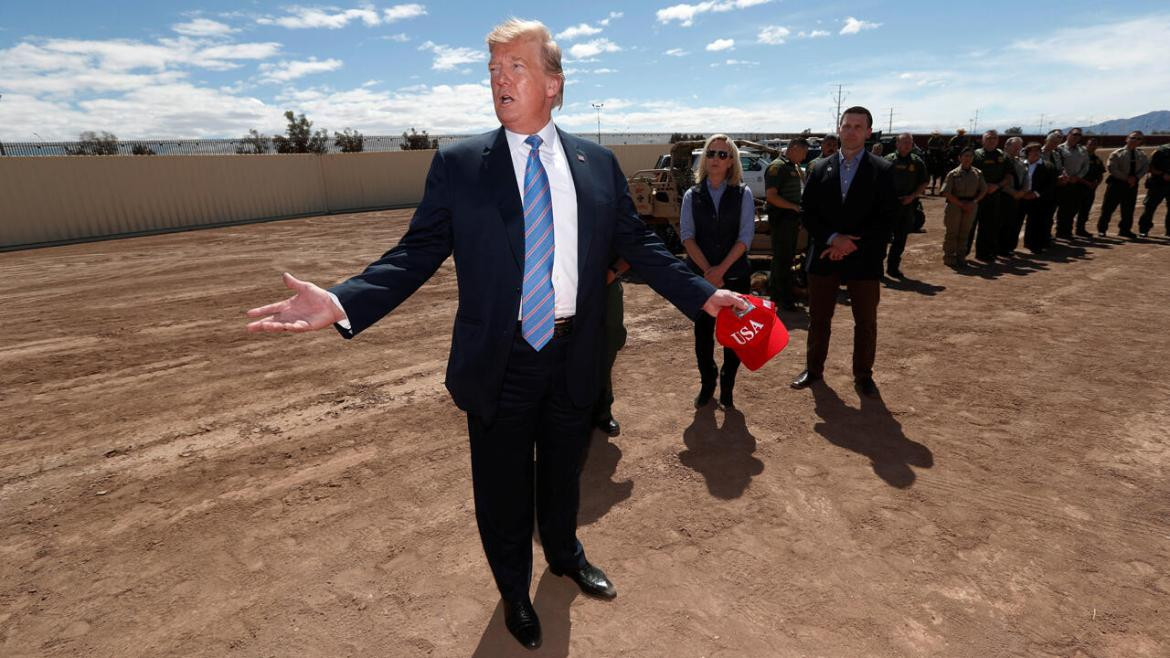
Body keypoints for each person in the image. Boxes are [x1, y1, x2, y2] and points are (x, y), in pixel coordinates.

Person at [244, 18, 746, 651]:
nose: (500, 81)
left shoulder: (597, 165)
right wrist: (343, 301)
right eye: (493, 70)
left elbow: (638, 243)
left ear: (554, 85)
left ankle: (564, 555)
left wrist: (704, 296)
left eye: (516, 68)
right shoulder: (460, 165)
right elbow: (416, 253)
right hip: (500, 358)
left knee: (564, 471)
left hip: (574, 349)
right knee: (503, 486)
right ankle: (514, 589)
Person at [790, 106, 898, 398]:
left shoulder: (883, 169)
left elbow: (887, 218)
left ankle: (863, 376)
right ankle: (813, 371)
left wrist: (851, 244)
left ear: (868, 132)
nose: (851, 131)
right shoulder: (818, 167)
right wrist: (834, 239)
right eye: (847, 125)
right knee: (819, 320)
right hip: (824, 255)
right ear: (839, 128)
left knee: (865, 322)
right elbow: (807, 213)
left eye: (858, 127)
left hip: (864, 258)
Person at [682, 135, 756, 410]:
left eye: (723, 155)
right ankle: (707, 383)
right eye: (711, 153)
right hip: (702, 279)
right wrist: (708, 272)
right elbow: (687, 237)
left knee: (734, 336)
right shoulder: (692, 195)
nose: (716, 158)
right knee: (702, 335)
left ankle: (727, 387)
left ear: (731, 162)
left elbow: (745, 237)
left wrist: (721, 270)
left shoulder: (743, 194)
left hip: (734, 275)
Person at [764, 137, 808, 310]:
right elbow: (771, 196)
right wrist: (794, 207)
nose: (804, 157)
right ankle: (784, 299)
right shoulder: (777, 167)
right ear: (795, 148)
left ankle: (777, 295)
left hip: (790, 219)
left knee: (785, 259)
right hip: (782, 219)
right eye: (803, 153)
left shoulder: (791, 166)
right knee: (783, 260)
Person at [593, 253, 629, 437]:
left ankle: (603, 412)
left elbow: (630, 251)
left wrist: (613, 271)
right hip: (567, 289)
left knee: (606, 351)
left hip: (608, 289)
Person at [884, 132, 929, 278]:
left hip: (907, 205)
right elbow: (878, 180)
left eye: (909, 143)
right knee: (882, 238)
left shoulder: (917, 162)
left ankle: (893, 268)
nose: (906, 145)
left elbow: (924, 182)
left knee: (900, 238)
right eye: (903, 142)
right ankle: (877, 268)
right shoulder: (888, 160)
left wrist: (913, 196)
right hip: (888, 206)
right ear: (897, 144)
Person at [940, 147, 987, 267]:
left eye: (970, 156)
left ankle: (961, 257)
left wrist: (974, 202)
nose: (968, 158)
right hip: (955, 205)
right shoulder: (953, 174)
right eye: (965, 156)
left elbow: (983, 190)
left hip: (971, 205)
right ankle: (949, 257)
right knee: (952, 232)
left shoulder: (978, 173)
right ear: (960, 158)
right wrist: (961, 204)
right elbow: (946, 192)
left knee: (965, 232)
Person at [1098, 131, 1150, 238]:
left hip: (1132, 185)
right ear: (1127, 139)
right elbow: (1112, 168)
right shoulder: (1117, 153)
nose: (1135, 141)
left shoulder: (1141, 154)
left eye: (1139, 139)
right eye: (1133, 138)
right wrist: (1127, 178)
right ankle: (1102, 229)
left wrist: (1136, 178)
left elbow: (1145, 168)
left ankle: (1125, 230)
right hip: (1116, 184)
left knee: (1128, 209)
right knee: (1108, 208)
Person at [971, 130, 1012, 263]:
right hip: (976, 195)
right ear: (983, 140)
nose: (991, 140)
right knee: (970, 225)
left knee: (989, 226)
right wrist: (982, 186)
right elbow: (969, 172)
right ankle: (962, 253)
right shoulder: (975, 155)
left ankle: (984, 253)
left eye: (994, 138)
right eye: (988, 138)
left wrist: (997, 186)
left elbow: (1008, 176)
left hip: (994, 195)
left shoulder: (1003, 156)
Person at [1020, 143, 1059, 254]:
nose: (1036, 153)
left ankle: (1036, 244)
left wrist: (1036, 194)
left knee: (1037, 222)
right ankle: (1026, 243)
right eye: (1033, 150)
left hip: (1040, 199)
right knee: (1017, 222)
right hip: (1022, 197)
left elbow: (1051, 185)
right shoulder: (1022, 164)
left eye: (1038, 150)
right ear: (1027, 153)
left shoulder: (1048, 166)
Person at [1055, 127, 1090, 239]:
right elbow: (1057, 165)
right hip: (1061, 183)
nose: (1076, 137)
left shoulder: (1082, 150)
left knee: (1072, 209)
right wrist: (1065, 177)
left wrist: (1078, 177)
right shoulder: (1059, 148)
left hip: (1075, 183)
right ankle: (1059, 231)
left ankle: (1067, 231)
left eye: (1079, 135)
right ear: (1068, 135)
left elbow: (1086, 166)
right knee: (1059, 209)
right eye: (1074, 134)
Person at [999, 136, 1028, 256]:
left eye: (1019, 147)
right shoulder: (1000, 160)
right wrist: (1012, 192)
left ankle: (1008, 247)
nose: (1017, 149)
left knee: (1014, 223)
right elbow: (999, 179)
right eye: (1015, 146)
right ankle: (999, 248)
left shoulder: (1020, 162)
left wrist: (1022, 191)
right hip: (1003, 196)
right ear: (1006, 146)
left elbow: (1026, 178)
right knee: (1001, 224)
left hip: (1018, 197)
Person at [1137, 142, 1170, 237]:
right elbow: (1150, 166)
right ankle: (1144, 229)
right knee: (1150, 207)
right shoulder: (1161, 150)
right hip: (1158, 183)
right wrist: (1162, 174)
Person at [1078, 137, 1106, 236]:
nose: (1092, 146)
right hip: (1078, 187)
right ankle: (1064, 231)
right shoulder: (1080, 157)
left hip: (1090, 189)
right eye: (1090, 144)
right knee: (1072, 210)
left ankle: (1080, 229)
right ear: (1086, 145)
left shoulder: (1097, 160)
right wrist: (1086, 182)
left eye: (1095, 144)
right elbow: (1075, 173)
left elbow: (1101, 174)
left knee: (1085, 210)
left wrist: (1097, 183)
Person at [926, 130, 948, 194]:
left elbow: (943, 147)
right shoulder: (930, 140)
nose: (936, 135)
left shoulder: (941, 140)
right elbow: (929, 146)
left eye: (937, 134)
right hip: (932, 153)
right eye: (935, 134)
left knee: (944, 159)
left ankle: (944, 169)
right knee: (927, 156)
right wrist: (935, 148)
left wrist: (940, 149)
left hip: (939, 153)